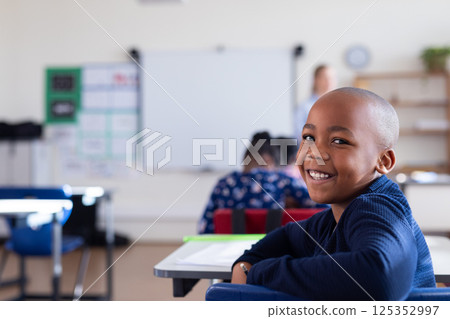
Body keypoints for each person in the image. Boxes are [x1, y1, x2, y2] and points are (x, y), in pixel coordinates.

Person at [231, 87, 436, 300]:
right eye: (309, 137)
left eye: (339, 141)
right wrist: (246, 264)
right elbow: (287, 237)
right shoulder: (332, 219)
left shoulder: (378, 207)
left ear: (383, 161)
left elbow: (380, 276)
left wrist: (259, 273)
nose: (315, 154)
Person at [197, 131, 324, 234]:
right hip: (271, 250)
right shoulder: (281, 180)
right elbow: (323, 209)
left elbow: (204, 228)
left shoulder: (223, 183)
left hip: (225, 252)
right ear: (269, 160)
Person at [294, 65, 336, 140]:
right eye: (325, 78)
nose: (329, 81)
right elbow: (299, 135)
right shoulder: (304, 107)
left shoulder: (339, 107)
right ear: (316, 80)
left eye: (332, 78)